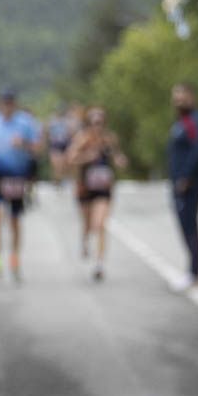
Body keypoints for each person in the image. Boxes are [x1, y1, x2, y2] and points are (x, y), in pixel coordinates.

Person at [0, 87, 41, 284]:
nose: (7, 106)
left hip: (17, 174)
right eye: (4, 102)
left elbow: (38, 147)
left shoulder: (25, 122)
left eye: (10, 102)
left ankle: (14, 261)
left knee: (14, 220)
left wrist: (25, 145)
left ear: (15, 104)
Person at [66, 105, 127, 281]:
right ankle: (85, 240)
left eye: (100, 122)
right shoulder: (82, 139)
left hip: (103, 187)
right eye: (94, 122)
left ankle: (99, 263)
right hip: (85, 187)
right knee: (87, 224)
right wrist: (87, 157)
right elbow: (70, 159)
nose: (97, 126)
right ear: (88, 124)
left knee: (99, 224)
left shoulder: (109, 139)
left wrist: (120, 160)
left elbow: (117, 155)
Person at [166, 83, 198, 291]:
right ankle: (192, 270)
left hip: (189, 184)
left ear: (192, 96)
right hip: (178, 182)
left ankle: (194, 272)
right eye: (176, 96)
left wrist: (186, 176)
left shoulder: (196, 121)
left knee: (190, 225)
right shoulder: (181, 121)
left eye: (182, 96)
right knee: (185, 226)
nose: (178, 100)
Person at [46, 104, 78, 187]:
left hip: (65, 145)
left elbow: (72, 133)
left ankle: (63, 181)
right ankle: (57, 182)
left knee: (66, 164)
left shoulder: (68, 121)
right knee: (57, 165)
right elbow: (47, 133)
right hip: (55, 145)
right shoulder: (52, 120)